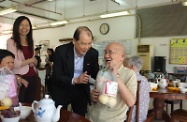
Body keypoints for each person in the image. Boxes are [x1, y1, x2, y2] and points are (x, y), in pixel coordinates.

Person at [52, 26, 99, 116]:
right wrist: (75, 80)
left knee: (80, 116)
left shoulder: (93, 53)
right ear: (74, 41)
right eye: (83, 44)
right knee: (60, 116)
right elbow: (57, 76)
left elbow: (95, 74)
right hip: (62, 87)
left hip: (81, 89)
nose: (86, 47)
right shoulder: (61, 51)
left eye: (89, 43)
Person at [87, 42, 137, 122]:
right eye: (105, 52)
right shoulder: (101, 73)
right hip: (92, 117)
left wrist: (116, 75)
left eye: (110, 52)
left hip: (113, 120)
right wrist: (92, 96)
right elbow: (95, 98)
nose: (106, 55)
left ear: (122, 56)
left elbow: (131, 102)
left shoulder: (130, 74)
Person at [6, 16, 39, 103]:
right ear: (16, 26)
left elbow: (31, 60)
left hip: (33, 76)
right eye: (21, 25)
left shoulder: (30, 41)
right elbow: (14, 63)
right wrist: (31, 60)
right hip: (20, 78)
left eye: (27, 25)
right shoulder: (11, 42)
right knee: (19, 104)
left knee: (30, 104)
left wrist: (33, 62)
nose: (24, 28)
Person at [125, 56, 151, 122]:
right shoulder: (144, 80)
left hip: (130, 117)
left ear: (132, 66)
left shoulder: (129, 79)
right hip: (142, 115)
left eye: (126, 66)